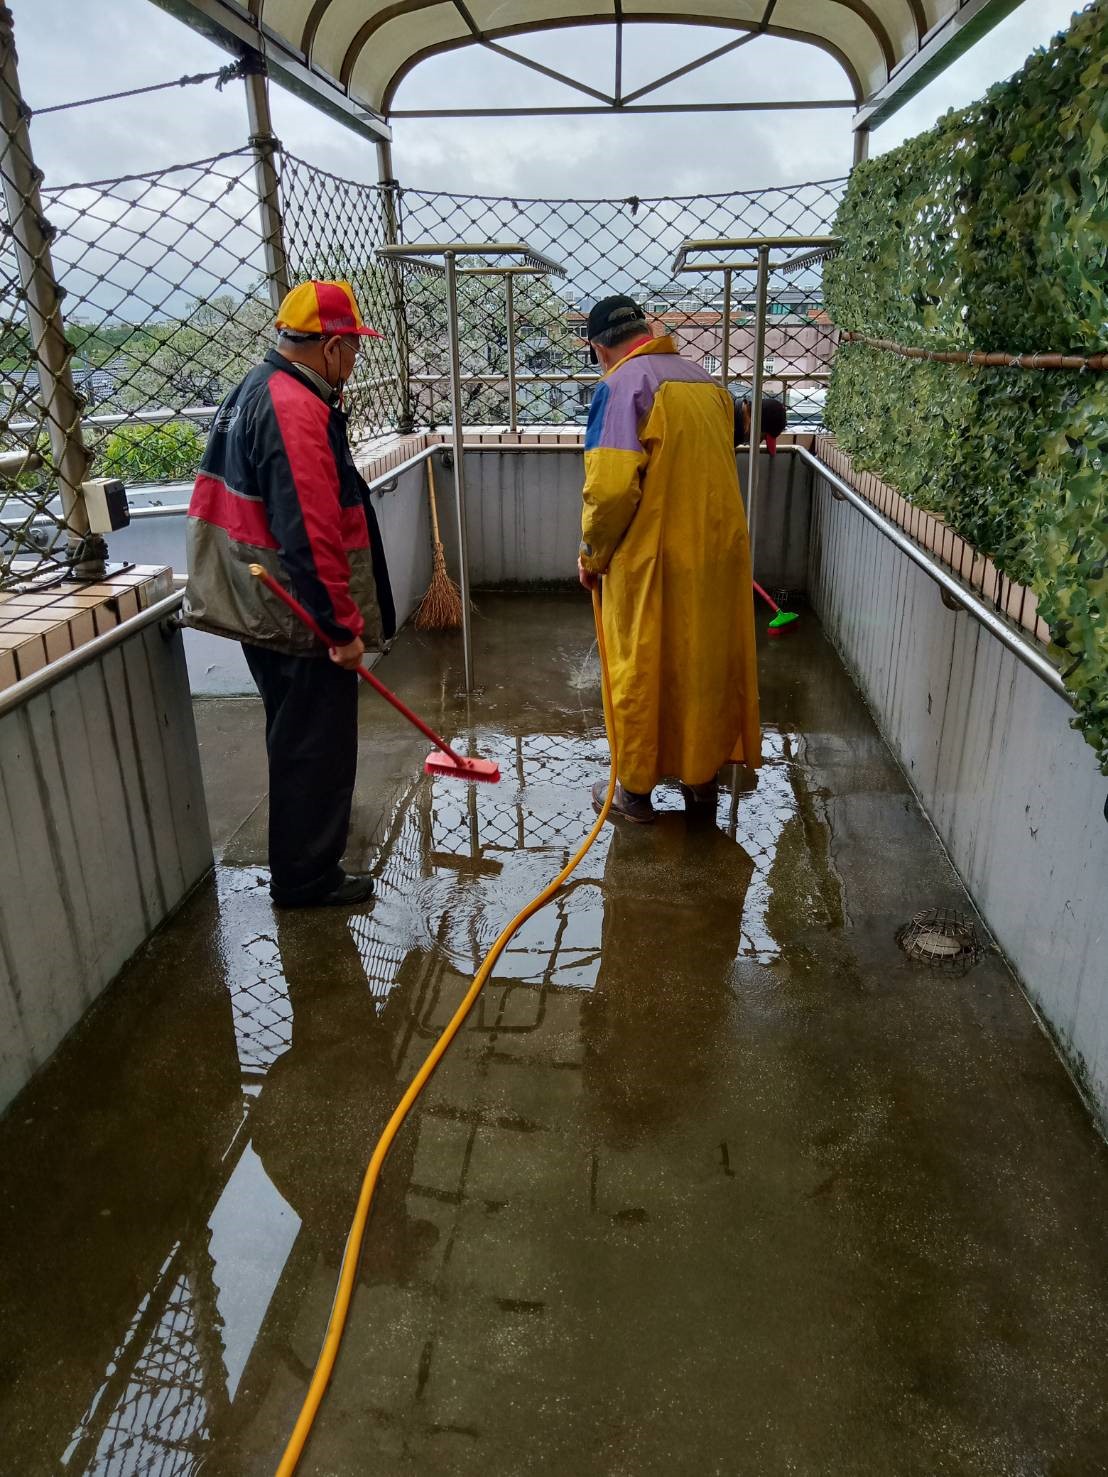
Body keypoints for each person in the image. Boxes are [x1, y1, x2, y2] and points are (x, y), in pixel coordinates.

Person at [184, 280, 395, 908]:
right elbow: (309, 528)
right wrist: (340, 629)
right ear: (329, 346)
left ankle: (302, 866)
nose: (354, 361)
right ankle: (308, 879)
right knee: (315, 752)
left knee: (294, 738)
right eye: (351, 348)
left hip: (266, 602)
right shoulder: (295, 406)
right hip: (297, 614)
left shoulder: (256, 387)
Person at [577, 294, 760, 824]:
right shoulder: (707, 383)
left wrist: (592, 553)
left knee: (641, 668)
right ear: (646, 329)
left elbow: (610, 491)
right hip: (717, 559)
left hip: (653, 561)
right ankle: (701, 782)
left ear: (598, 348)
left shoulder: (620, 386)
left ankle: (633, 792)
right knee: (702, 666)